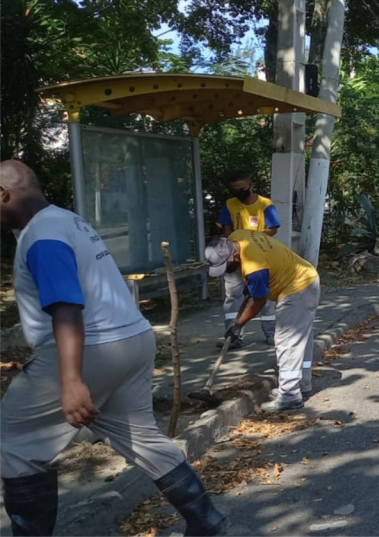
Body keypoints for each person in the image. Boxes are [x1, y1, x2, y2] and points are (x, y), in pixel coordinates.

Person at [0, 160, 229, 537]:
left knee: (14, 442)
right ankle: (207, 522)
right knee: (141, 437)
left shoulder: (42, 236)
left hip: (90, 349)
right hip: (132, 340)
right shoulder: (67, 220)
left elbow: (66, 307)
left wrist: (71, 380)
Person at [204, 230, 320, 414]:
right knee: (300, 339)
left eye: (226, 265)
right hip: (304, 277)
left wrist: (238, 325)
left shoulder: (253, 268)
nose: (226, 270)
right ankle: (301, 384)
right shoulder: (238, 236)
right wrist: (250, 286)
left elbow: (259, 302)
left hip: (297, 287)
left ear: (233, 253)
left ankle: (290, 395)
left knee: (287, 342)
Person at [215, 170, 279, 349]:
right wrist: (232, 248)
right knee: (232, 297)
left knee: (264, 296)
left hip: (261, 257)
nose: (239, 192)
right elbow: (226, 229)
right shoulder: (230, 204)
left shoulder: (265, 204)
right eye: (235, 189)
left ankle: (271, 334)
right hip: (236, 258)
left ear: (251, 186)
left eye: (242, 188)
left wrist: (251, 238)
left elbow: (272, 229)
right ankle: (233, 336)